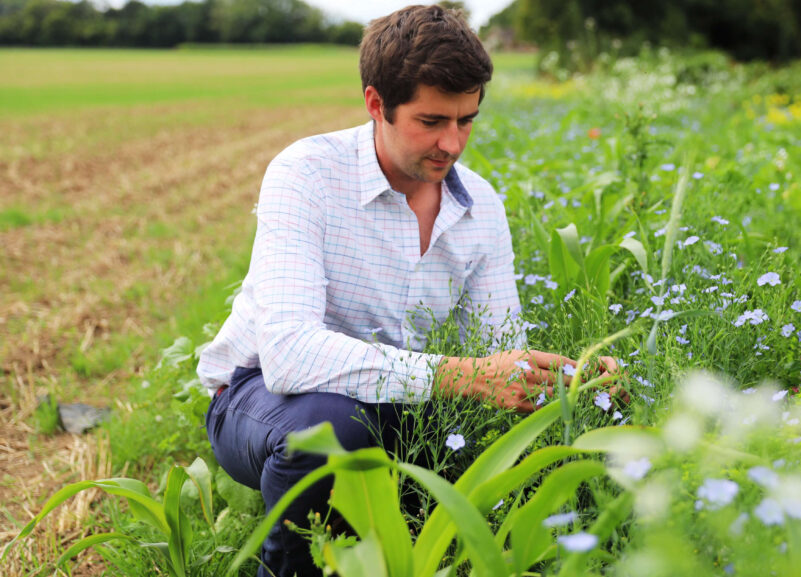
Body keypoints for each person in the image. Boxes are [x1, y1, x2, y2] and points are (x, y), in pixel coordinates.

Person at [197, 5, 619, 577]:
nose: (452, 143)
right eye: (432, 121)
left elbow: (499, 347)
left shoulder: (481, 208)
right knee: (329, 434)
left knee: (573, 431)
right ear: (377, 104)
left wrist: (565, 383)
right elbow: (289, 356)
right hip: (262, 399)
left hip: (403, 404)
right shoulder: (308, 174)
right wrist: (465, 375)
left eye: (466, 120)